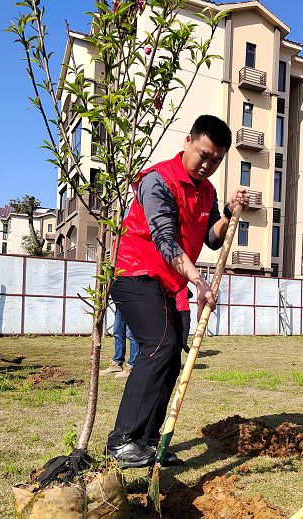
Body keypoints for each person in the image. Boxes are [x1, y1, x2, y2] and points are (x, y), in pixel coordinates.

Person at [104, 114, 249, 468]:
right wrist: (198, 282)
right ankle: (122, 440)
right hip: (135, 273)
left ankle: (149, 442)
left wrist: (229, 213)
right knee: (159, 345)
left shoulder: (207, 191)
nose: (207, 164)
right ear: (187, 142)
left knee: (170, 356)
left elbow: (212, 239)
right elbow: (164, 239)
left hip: (169, 283)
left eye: (216, 160)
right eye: (203, 154)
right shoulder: (158, 182)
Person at [101, 307, 138, 377]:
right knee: (118, 333)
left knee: (131, 334)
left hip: (131, 303)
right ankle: (116, 364)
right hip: (119, 305)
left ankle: (132, 366)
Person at [177, 287, 193, 354]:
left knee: (177, 328)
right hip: (185, 309)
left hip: (176, 309)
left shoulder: (173, 286)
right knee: (186, 327)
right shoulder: (185, 287)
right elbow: (191, 295)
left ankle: (179, 344)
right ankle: (184, 342)